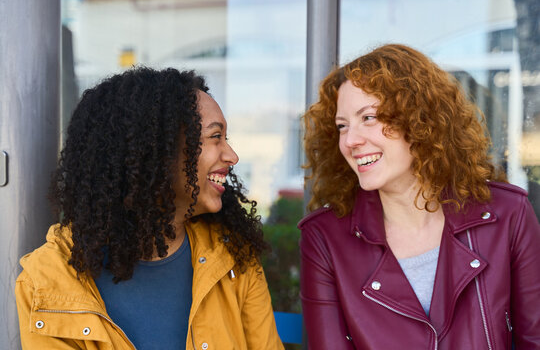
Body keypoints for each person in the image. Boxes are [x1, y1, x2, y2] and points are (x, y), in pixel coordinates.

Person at [15, 67, 284, 350]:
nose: (232, 155)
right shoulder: (47, 281)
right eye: (216, 137)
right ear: (157, 152)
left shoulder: (233, 258)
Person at [299, 44, 540, 349]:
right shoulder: (324, 238)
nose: (351, 140)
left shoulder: (508, 214)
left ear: (418, 119)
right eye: (342, 126)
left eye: (369, 117)